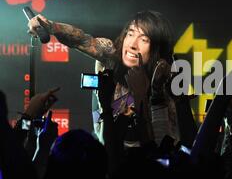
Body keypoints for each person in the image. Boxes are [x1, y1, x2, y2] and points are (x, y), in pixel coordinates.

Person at [27, 11, 180, 149]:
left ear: (156, 48)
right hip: (110, 150)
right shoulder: (111, 56)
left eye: (144, 39)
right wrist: (51, 27)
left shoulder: (162, 77)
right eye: (131, 34)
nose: (132, 45)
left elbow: (166, 143)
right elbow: (82, 40)